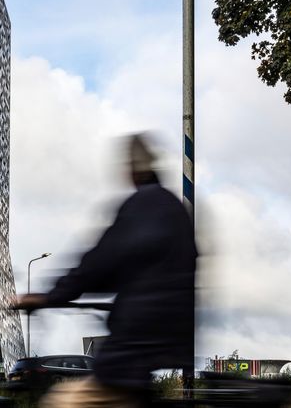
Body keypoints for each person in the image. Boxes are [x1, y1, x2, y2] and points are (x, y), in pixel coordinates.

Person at [15, 134, 197, 407]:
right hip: (168, 340)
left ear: (133, 169)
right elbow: (121, 270)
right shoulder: (175, 211)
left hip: (134, 345)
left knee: (61, 402)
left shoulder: (141, 207)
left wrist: (49, 297)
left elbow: (99, 264)